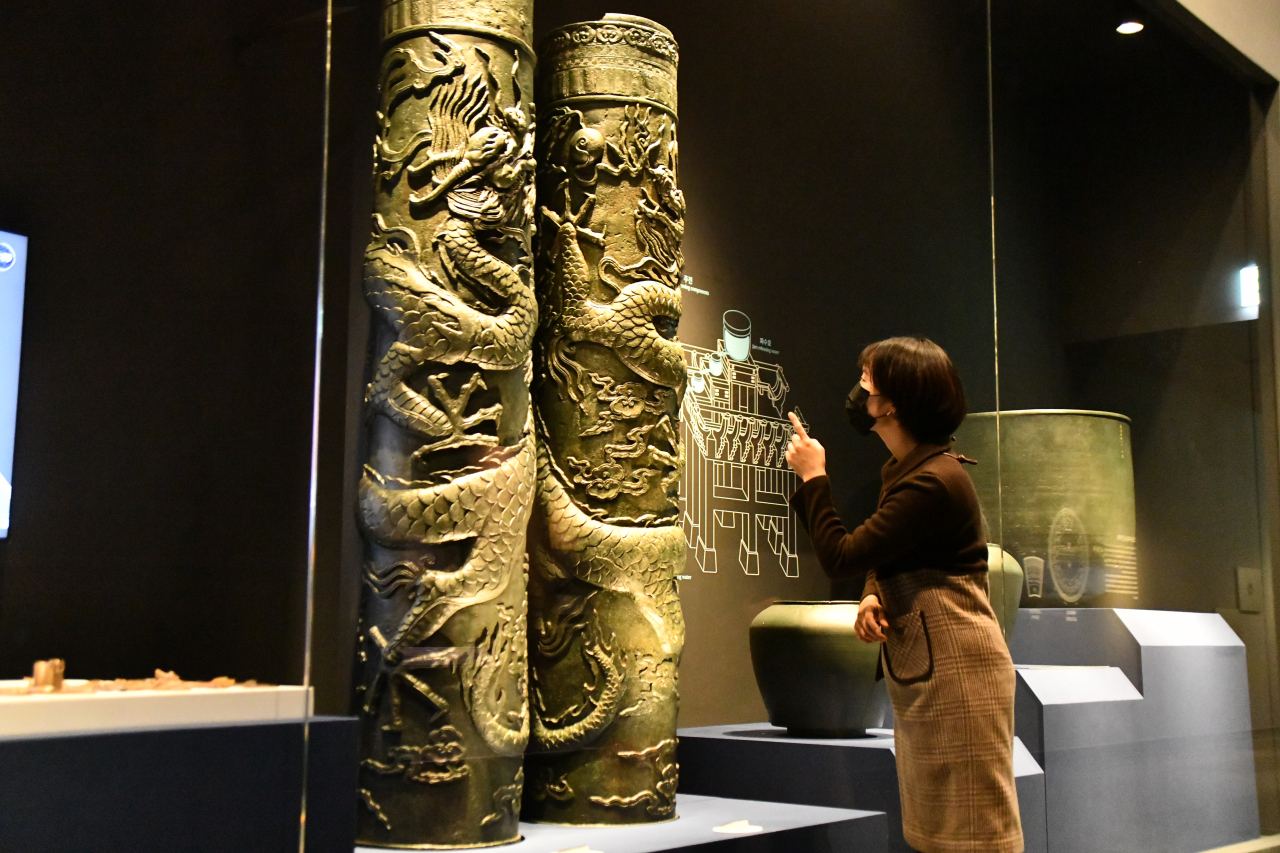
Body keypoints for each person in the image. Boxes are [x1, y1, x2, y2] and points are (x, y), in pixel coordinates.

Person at [784, 336, 1023, 853]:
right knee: (939, 833)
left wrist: (814, 477)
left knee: (976, 833)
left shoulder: (935, 480)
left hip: (958, 672)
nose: (858, 390)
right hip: (933, 669)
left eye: (867, 380)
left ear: (892, 402)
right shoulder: (910, 470)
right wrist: (875, 594)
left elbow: (844, 555)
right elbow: (894, 553)